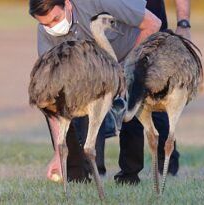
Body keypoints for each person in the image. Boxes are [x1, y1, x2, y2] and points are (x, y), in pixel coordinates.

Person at [29, 0, 161, 183]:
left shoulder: (99, 2)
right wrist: (59, 154)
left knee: (131, 106)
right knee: (60, 101)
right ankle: (77, 175)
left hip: (130, 53)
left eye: (55, 19)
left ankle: (130, 175)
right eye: (45, 24)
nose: (52, 27)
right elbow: (52, 98)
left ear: (67, 4)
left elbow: (153, 24)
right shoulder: (45, 34)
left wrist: (125, 70)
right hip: (92, 69)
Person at [114, 0, 192, 185]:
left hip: (154, 31)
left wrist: (183, 22)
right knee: (128, 99)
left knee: (156, 96)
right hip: (118, 31)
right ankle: (128, 173)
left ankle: (167, 167)